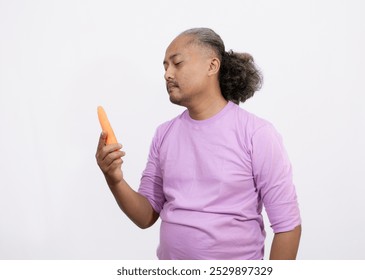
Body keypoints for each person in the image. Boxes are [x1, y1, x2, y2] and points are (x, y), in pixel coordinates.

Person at [96, 27, 301, 260]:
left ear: (212, 66)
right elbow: (146, 216)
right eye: (165, 66)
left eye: (177, 63)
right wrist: (114, 179)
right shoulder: (165, 134)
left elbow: (288, 227)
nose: (167, 74)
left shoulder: (257, 134)